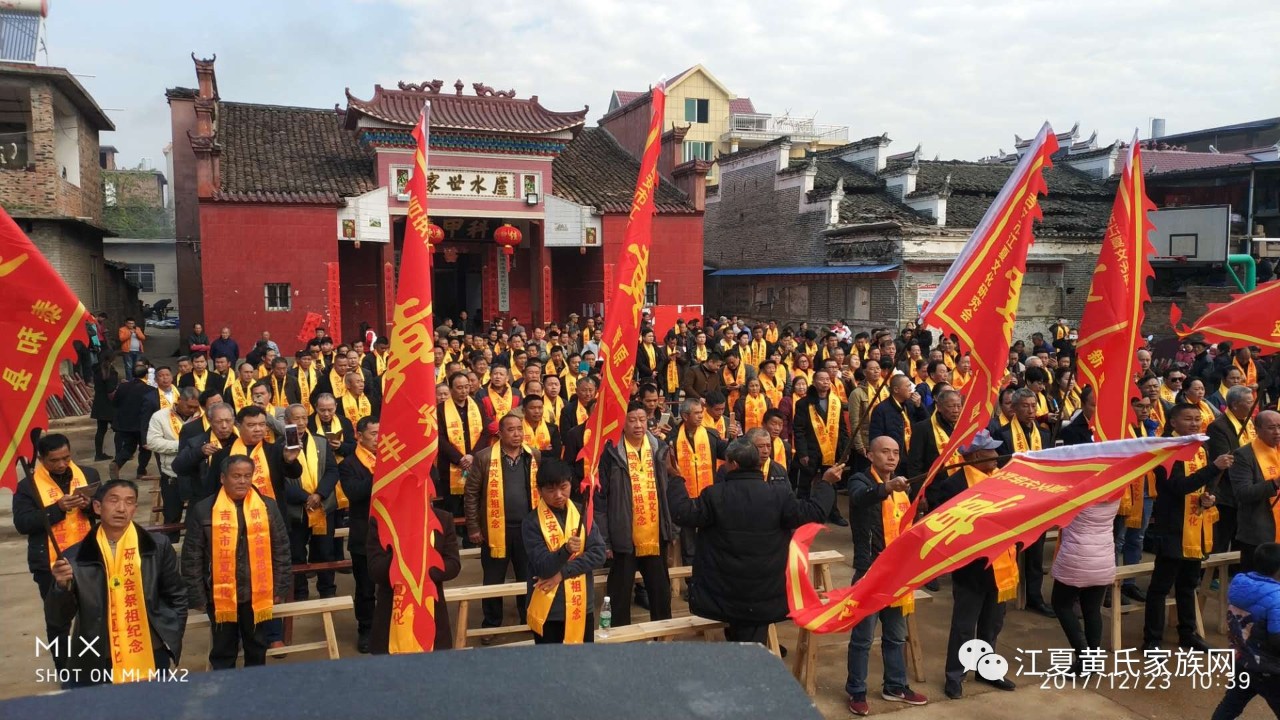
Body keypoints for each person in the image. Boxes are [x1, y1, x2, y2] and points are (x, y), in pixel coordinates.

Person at [668, 437, 834, 645]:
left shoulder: (715, 495)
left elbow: (683, 513)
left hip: (725, 591)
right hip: (765, 593)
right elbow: (814, 512)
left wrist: (675, 478)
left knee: (745, 649)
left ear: (734, 464)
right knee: (750, 645)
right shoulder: (779, 495)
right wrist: (826, 483)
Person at [45, 479, 187, 686]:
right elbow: (58, 619)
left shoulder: (156, 547)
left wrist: (171, 634)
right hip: (99, 652)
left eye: (129, 502)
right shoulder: (74, 558)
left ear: (135, 508)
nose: (122, 508)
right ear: (97, 507)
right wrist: (60, 587)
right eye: (114, 500)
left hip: (149, 647)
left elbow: (176, 594)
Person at [927, 430, 1018, 699]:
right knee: (964, 625)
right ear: (977, 456)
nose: (998, 456)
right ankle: (955, 675)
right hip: (971, 569)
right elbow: (943, 528)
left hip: (1002, 565)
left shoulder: (1003, 479)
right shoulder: (953, 486)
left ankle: (987, 668)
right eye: (992, 452)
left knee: (992, 623)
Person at [844, 436, 930, 714]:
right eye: (884, 452)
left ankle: (895, 685)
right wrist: (885, 488)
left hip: (898, 572)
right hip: (870, 570)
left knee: (895, 635)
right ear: (870, 455)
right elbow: (858, 498)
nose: (891, 457)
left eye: (895, 452)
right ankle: (856, 690)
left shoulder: (903, 487)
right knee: (863, 638)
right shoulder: (861, 480)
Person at [181, 454, 290, 669]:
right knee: (223, 649)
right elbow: (192, 556)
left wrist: (280, 587)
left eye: (247, 476)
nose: (242, 481)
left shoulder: (267, 507)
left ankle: (253, 691)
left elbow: (281, 549)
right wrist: (197, 595)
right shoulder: (204, 509)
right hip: (219, 595)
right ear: (223, 478)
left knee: (257, 645)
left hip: (258, 592)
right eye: (236, 476)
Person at [1143, 403, 1232, 652]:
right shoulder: (1166, 449)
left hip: (1196, 522)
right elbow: (1177, 487)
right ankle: (1152, 639)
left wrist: (1209, 497)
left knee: (1188, 583)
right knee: (1161, 586)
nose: (1194, 423)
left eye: (1197, 418)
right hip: (1172, 525)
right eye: (1188, 419)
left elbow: (1204, 483)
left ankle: (1188, 633)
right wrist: (1214, 467)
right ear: (1173, 422)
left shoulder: (1200, 447)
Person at [13, 434, 101, 664]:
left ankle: (93, 665)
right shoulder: (27, 487)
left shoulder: (88, 475)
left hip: (87, 557)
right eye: (55, 460)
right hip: (51, 564)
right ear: (41, 459)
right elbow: (23, 524)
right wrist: (57, 508)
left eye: (66, 458)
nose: (62, 464)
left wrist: (90, 506)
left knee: (94, 613)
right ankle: (64, 669)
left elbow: (104, 510)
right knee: (58, 620)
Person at [1050, 402, 1118, 675]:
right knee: (1092, 609)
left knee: (1061, 604)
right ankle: (1093, 660)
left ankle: (1084, 654)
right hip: (1103, 555)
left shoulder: (1079, 491)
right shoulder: (1116, 489)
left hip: (1077, 556)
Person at [596, 402, 676, 627]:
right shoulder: (611, 452)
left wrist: (670, 528)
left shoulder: (659, 448)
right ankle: (621, 641)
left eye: (642, 420)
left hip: (654, 534)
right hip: (623, 535)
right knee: (620, 594)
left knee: (660, 592)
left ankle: (662, 637)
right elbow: (600, 500)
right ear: (622, 423)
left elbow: (668, 489)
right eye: (632, 420)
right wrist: (605, 540)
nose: (638, 425)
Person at [464, 414, 540, 636]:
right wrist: (474, 528)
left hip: (527, 529)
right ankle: (491, 624)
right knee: (493, 578)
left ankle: (528, 618)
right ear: (500, 433)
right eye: (511, 430)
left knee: (527, 576)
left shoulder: (532, 455)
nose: (517, 434)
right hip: (495, 529)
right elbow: (471, 494)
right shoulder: (485, 457)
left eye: (520, 429)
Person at [523, 459, 607, 644]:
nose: (559, 495)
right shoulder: (531, 522)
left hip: (582, 604)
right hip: (550, 609)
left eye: (563, 487)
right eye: (551, 490)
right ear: (539, 491)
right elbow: (543, 567)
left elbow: (599, 554)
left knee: (582, 665)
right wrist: (566, 549)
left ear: (570, 484)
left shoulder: (582, 512)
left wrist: (561, 574)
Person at [997, 388, 1054, 618]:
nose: (1031, 411)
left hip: (1037, 502)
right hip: (1012, 500)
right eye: (1025, 406)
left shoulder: (1045, 434)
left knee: (1035, 552)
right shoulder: (1003, 435)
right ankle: (1005, 592)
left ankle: (1034, 596)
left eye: (1034, 406)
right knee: (1008, 550)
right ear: (1014, 408)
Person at [1210, 541, 1280, 719]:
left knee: (1230, 706)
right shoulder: (1276, 597)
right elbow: (1277, 639)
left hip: (1241, 660)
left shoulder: (1239, 584)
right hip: (1269, 669)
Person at [280, 403, 339, 602]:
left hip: (321, 505)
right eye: (296, 419)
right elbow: (281, 480)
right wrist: (305, 497)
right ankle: (300, 594)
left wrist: (319, 494)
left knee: (325, 551)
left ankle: (327, 590)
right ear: (287, 421)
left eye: (304, 418)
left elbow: (332, 471)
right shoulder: (279, 447)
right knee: (296, 553)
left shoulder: (320, 442)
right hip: (296, 510)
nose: (301, 423)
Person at [336, 416, 381, 652]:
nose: (378, 438)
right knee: (365, 588)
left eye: (381, 433)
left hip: (390, 534)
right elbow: (354, 493)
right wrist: (381, 473)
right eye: (373, 434)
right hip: (364, 536)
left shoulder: (391, 457)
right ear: (359, 436)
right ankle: (365, 630)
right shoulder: (349, 464)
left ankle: (387, 626)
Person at [793, 369, 849, 526]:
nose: (825, 382)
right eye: (822, 379)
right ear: (814, 382)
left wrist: (844, 450)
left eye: (827, 379)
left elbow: (842, 428)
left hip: (831, 450)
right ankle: (802, 515)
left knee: (832, 482)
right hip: (810, 451)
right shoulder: (803, 403)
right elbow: (799, 430)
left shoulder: (835, 402)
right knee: (804, 484)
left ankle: (832, 513)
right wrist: (802, 452)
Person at [1208, 385, 1257, 561]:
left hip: (1249, 490)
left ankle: (1236, 572)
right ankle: (1211, 576)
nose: (1253, 406)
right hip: (1227, 491)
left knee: (1241, 537)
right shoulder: (1218, 427)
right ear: (1235, 405)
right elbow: (1224, 460)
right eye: (1249, 402)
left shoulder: (1250, 422)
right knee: (1222, 537)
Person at [1229, 410, 1280, 574]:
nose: (1277, 432)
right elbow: (1243, 493)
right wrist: (1275, 483)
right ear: (1257, 429)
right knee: (1258, 585)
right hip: (1260, 533)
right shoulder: (1244, 455)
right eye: (1272, 428)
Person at [146, 387, 203, 532]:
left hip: (197, 476)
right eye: (189, 406)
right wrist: (183, 446)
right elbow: (153, 442)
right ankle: (170, 548)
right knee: (171, 517)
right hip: (172, 475)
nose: (192, 410)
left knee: (198, 517)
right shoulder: (160, 416)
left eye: (195, 407)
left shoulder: (202, 417)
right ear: (179, 401)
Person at [439, 373, 486, 519]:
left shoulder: (477, 406)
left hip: (475, 461)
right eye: (459, 388)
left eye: (466, 387)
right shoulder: (440, 409)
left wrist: (472, 456)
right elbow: (439, 438)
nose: (464, 391)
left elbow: (485, 433)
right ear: (451, 389)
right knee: (453, 505)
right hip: (451, 463)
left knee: (475, 499)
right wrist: (459, 459)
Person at [109, 360, 154, 481]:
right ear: (146, 375)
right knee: (145, 448)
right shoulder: (149, 389)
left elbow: (115, 403)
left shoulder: (123, 387)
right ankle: (141, 471)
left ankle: (117, 463)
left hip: (124, 423)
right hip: (141, 424)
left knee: (129, 447)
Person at [905, 389, 961, 480]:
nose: (956, 410)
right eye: (951, 406)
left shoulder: (964, 427)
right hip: (934, 487)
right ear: (939, 407)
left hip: (961, 486)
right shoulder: (922, 429)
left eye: (959, 406)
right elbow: (915, 465)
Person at [90, 349, 120, 461]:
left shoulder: (97, 370)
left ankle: (98, 454)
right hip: (110, 405)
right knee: (118, 429)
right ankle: (120, 453)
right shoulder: (110, 372)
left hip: (99, 403)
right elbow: (111, 389)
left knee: (101, 430)